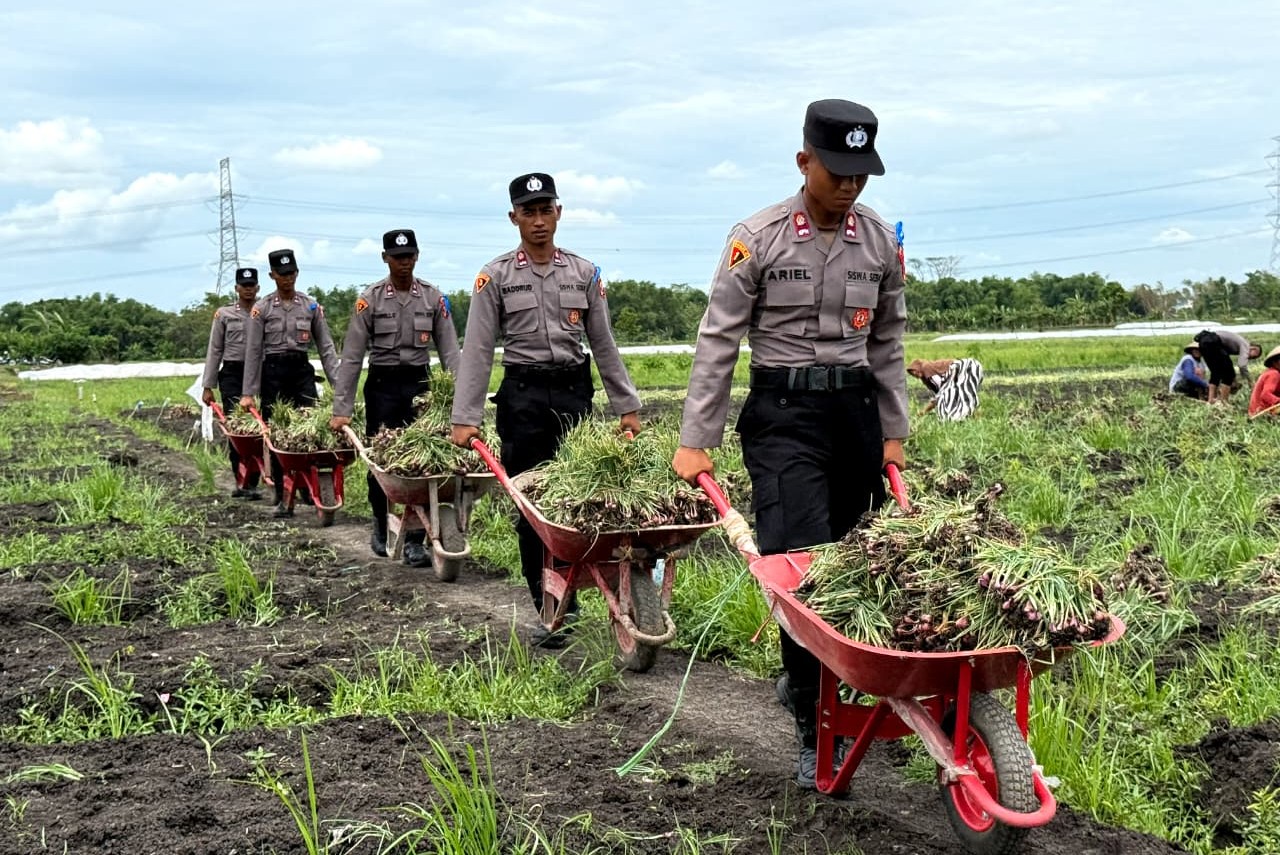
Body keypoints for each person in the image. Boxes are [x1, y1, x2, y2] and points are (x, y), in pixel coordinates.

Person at [670, 99, 908, 789]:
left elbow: (889, 342)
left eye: (861, 172)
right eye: (836, 171)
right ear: (804, 161)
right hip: (783, 417)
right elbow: (718, 339)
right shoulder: (758, 237)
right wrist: (696, 439)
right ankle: (813, 722)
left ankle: (836, 689)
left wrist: (893, 433)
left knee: (859, 561)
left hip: (856, 415)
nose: (849, 185)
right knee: (802, 568)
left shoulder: (881, 240)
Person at [450, 172, 642, 647]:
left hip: (574, 397)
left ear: (559, 212)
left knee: (577, 502)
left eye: (545, 210)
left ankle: (583, 588)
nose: (538, 221)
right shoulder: (495, 277)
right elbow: (476, 350)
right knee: (532, 507)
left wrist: (627, 406)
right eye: (528, 212)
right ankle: (551, 607)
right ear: (513, 217)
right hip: (524, 399)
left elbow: (604, 345)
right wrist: (465, 416)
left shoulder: (585, 273)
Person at [330, 229, 462, 564]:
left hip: (420, 387)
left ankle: (416, 538)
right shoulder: (370, 299)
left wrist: (461, 402)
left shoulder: (433, 298)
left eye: (409, 256)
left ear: (417, 256)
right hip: (382, 386)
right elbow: (352, 357)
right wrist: (341, 408)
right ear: (385, 258)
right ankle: (379, 521)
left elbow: (450, 354)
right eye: (397, 257)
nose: (404, 263)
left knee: (421, 461)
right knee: (381, 460)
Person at [240, 248, 340, 517]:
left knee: (309, 427)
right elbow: (252, 352)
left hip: (301, 371)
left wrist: (339, 387)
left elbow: (326, 348)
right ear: (273, 275)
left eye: (292, 273)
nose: (288, 279)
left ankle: (308, 486)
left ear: (297, 273)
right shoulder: (261, 309)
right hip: (272, 373)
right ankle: (283, 492)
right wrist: (248, 392)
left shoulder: (309, 306)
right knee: (277, 433)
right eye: (282, 274)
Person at [200, 267, 263, 499]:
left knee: (262, 426)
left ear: (258, 288)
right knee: (237, 428)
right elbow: (214, 350)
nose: (248, 290)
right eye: (243, 286)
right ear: (237, 288)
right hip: (233, 374)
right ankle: (242, 480)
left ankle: (261, 476)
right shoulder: (224, 315)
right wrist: (208, 386)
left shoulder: (264, 311)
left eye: (252, 286)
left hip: (261, 371)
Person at [1194, 328, 1260, 404]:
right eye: (1255, 356)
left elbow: (1223, 359)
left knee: (1215, 373)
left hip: (1203, 342)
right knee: (1229, 374)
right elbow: (1242, 365)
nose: (1252, 358)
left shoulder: (1235, 344)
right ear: (1254, 349)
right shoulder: (1246, 345)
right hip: (1213, 340)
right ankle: (1224, 402)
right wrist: (1250, 381)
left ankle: (1211, 400)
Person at [906, 357, 983, 420]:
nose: (915, 374)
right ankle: (973, 415)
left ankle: (973, 415)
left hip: (962, 368)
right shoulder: (927, 376)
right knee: (964, 395)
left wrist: (924, 411)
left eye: (914, 371)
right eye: (913, 374)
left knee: (961, 396)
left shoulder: (926, 368)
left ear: (918, 367)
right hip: (964, 369)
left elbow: (941, 393)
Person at [1248, 345, 1280, 418]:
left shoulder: (1271, 372)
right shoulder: (1274, 374)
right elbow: (1265, 395)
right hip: (1260, 413)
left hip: (1256, 412)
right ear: (1275, 362)